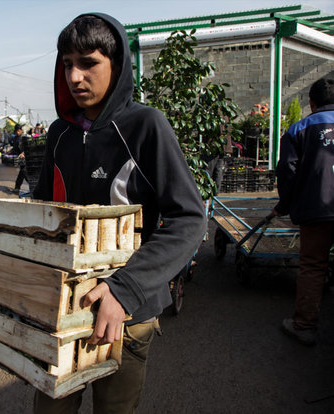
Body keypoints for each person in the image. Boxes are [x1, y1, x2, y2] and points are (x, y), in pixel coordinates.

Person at [32, 13, 206, 412]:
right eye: (67, 65)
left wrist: (123, 290)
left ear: (118, 64)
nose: (75, 77)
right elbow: (44, 210)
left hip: (124, 314)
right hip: (63, 309)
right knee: (50, 405)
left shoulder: (146, 126)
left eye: (88, 63)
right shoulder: (59, 134)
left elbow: (190, 218)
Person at [273, 76, 334, 346]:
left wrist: (284, 205)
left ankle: (304, 326)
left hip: (316, 210)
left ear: (311, 103)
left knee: (313, 265)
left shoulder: (300, 129)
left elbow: (287, 170)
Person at [10, 123, 28, 194]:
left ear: (21, 130)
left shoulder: (24, 137)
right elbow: (15, 148)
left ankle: (17, 188)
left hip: (26, 157)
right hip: (20, 158)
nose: (18, 132)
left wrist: (23, 153)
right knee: (22, 172)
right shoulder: (15, 138)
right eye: (16, 131)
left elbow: (28, 147)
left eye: (19, 130)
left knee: (23, 172)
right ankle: (17, 188)